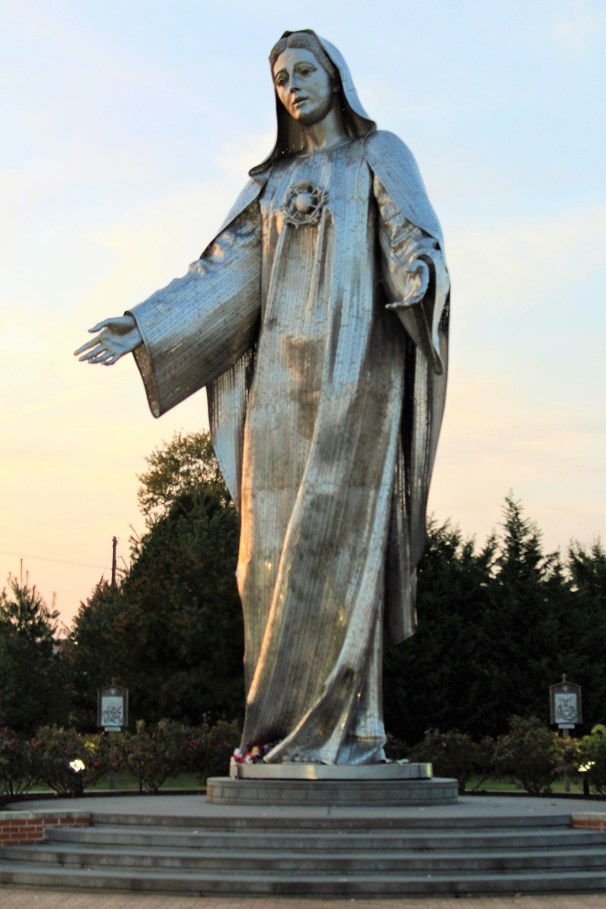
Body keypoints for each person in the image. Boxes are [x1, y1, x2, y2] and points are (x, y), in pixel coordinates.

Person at [75, 30, 450, 765]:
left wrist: (421, 273)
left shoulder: (380, 154)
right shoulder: (270, 185)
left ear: (336, 76)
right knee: (264, 562)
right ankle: (273, 731)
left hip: (354, 376)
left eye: (304, 69)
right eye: (279, 77)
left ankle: (348, 729)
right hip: (278, 387)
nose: (292, 85)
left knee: (336, 546)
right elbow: (221, 274)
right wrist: (147, 323)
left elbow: (412, 236)